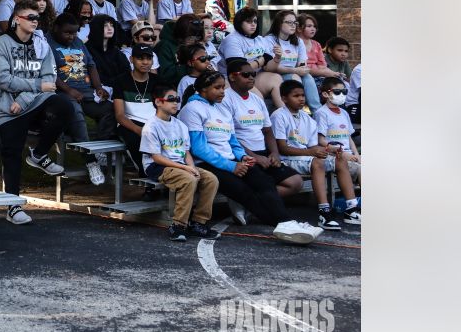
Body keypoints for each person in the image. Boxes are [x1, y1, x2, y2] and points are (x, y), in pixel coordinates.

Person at [177, 71, 322, 245]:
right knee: (244, 190)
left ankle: (285, 222)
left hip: (231, 161)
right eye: (217, 87)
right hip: (207, 164)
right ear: (203, 89)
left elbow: (233, 141)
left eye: (223, 87)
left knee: (264, 180)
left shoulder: (221, 108)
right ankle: (283, 223)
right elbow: (199, 148)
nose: (223, 91)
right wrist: (231, 166)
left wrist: (244, 156)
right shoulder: (191, 109)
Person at [0, 0, 72, 224]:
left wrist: (26, 97)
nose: (36, 21)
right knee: (12, 154)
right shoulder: (3, 43)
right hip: (7, 107)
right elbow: (4, 80)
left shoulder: (41, 44)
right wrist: (35, 88)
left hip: (31, 103)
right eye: (31, 17)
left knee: (64, 106)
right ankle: (13, 205)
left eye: (38, 18)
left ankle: (38, 154)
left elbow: (48, 80)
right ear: (17, 19)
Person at [269, 80, 360, 232]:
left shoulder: (307, 119)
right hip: (287, 160)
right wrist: (312, 152)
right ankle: (324, 212)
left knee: (339, 159)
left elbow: (312, 146)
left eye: (303, 95)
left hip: (305, 157)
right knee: (318, 163)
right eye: (296, 96)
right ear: (284, 98)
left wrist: (328, 150)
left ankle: (351, 210)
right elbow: (282, 148)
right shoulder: (279, 116)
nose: (301, 99)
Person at [139, 85, 220, 241]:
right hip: (158, 166)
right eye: (171, 99)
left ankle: (198, 223)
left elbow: (186, 152)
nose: (176, 103)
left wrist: (192, 167)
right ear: (158, 102)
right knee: (188, 179)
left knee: (211, 179)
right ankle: (178, 225)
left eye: (177, 99)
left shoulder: (180, 125)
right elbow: (156, 157)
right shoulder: (151, 126)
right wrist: (185, 168)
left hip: (180, 164)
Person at [221, 58, 302, 199]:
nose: (252, 77)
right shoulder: (225, 99)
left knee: (295, 182)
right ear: (232, 77)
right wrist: (254, 157)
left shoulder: (257, 99)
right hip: (241, 155)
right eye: (246, 74)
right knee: (266, 183)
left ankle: (247, 203)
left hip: (263, 153)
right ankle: (254, 203)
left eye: (253, 74)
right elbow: (228, 137)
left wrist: (274, 153)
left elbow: (267, 130)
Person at [47, 13, 109, 185]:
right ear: (56, 28)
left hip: (85, 90)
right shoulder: (46, 43)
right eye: (67, 33)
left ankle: (102, 149)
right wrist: (69, 90)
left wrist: (98, 87)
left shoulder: (78, 42)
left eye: (74, 33)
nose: (71, 37)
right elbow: (49, 73)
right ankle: (91, 161)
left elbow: (91, 65)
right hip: (60, 92)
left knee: (110, 109)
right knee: (76, 113)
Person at [314, 77, 362, 215]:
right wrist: (342, 153)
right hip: (335, 155)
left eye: (344, 91)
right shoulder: (321, 113)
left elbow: (349, 138)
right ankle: (353, 208)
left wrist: (356, 155)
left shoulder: (345, 113)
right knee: (361, 170)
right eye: (337, 91)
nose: (341, 95)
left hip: (349, 155)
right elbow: (321, 140)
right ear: (325, 94)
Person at [257, 9, 320, 111]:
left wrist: (302, 68)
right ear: (279, 24)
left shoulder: (298, 41)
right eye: (289, 22)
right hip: (273, 75)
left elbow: (302, 64)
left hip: (292, 72)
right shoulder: (269, 40)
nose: (293, 25)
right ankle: (297, 111)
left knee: (307, 77)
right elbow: (270, 68)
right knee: (295, 76)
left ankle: (317, 112)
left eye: (295, 22)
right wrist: (295, 70)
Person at [110, 46, 158, 173]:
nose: (145, 62)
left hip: (154, 123)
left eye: (149, 58)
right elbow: (120, 115)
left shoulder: (158, 81)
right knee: (136, 140)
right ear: (131, 59)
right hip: (130, 123)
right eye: (140, 58)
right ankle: (147, 178)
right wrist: (138, 130)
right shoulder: (120, 81)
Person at [216, 7, 268, 77]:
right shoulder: (231, 40)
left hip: (255, 76)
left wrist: (277, 58)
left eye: (255, 21)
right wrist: (260, 62)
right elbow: (240, 69)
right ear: (239, 23)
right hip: (234, 80)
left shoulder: (260, 39)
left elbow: (270, 62)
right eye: (248, 21)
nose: (253, 24)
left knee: (275, 77)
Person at [85, 15, 130, 94]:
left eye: (112, 25)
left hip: (120, 89)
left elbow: (127, 72)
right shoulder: (87, 49)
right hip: (97, 91)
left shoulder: (116, 51)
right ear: (97, 27)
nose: (110, 28)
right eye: (105, 25)